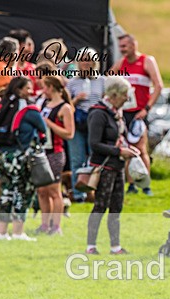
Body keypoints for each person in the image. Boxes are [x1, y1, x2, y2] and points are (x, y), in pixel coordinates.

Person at [0, 76, 46, 241]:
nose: (30, 91)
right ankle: (18, 232)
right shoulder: (28, 110)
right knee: (22, 192)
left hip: (3, 157)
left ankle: (1, 232)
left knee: (6, 191)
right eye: (28, 88)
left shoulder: (3, 106)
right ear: (19, 90)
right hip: (20, 157)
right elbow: (43, 131)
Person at [85, 76, 139, 255]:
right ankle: (90, 246)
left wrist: (127, 149)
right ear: (114, 95)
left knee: (117, 206)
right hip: (104, 167)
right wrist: (118, 152)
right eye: (124, 95)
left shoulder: (117, 114)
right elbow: (94, 144)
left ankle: (115, 246)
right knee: (100, 205)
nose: (127, 99)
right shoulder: (98, 113)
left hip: (117, 166)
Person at [111, 34, 161, 196]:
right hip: (124, 112)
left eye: (125, 46)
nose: (122, 49)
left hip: (139, 112)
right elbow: (108, 80)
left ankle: (145, 184)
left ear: (134, 45)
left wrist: (147, 108)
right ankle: (131, 184)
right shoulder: (121, 64)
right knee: (126, 148)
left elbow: (158, 86)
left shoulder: (147, 61)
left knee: (140, 148)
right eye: (120, 47)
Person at [36, 75, 74, 235]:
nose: (43, 91)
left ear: (51, 87)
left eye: (45, 87)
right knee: (42, 190)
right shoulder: (44, 103)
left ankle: (56, 226)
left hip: (55, 152)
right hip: (41, 150)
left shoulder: (64, 108)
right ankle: (44, 224)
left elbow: (69, 133)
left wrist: (49, 123)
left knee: (53, 190)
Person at [66, 48, 104, 202]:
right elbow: (65, 105)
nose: (86, 63)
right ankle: (78, 193)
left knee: (96, 159)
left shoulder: (101, 81)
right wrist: (76, 100)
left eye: (89, 60)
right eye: (83, 60)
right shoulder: (72, 82)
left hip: (96, 124)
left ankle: (96, 192)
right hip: (78, 123)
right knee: (77, 159)